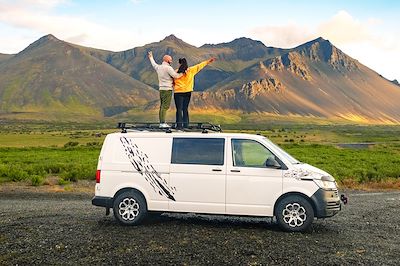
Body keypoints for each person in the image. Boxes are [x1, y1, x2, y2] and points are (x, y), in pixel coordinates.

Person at [173, 57, 215, 129]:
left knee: (179, 109)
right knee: (185, 109)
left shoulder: (175, 72)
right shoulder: (191, 70)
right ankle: (186, 125)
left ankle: (179, 125)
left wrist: (174, 84)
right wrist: (208, 61)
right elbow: (200, 65)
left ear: (179, 64)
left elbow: (172, 80)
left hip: (178, 92)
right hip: (188, 92)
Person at [148, 51, 182, 128]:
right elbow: (175, 76)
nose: (171, 61)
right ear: (167, 60)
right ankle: (162, 123)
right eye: (170, 60)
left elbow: (153, 64)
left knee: (162, 106)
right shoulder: (168, 68)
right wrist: (182, 73)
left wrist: (151, 57)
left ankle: (161, 122)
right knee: (165, 107)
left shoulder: (159, 67)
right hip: (167, 90)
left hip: (161, 89)